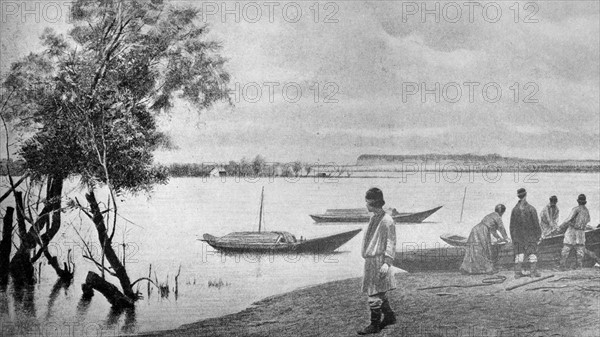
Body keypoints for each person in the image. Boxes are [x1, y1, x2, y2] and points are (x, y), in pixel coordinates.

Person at [357, 188, 397, 335]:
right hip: (371, 260)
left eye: (367, 202)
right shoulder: (374, 218)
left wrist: (387, 262)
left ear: (373, 202)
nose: (366, 205)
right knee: (378, 290)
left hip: (379, 261)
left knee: (374, 292)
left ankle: (375, 325)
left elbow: (391, 242)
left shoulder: (387, 221)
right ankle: (390, 316)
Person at [460, 204, 509, 275]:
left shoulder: (491, 215)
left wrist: (499, 238)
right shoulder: (497, 217)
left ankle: (466, 269)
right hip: (482, 231)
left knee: (473, 249)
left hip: (475, 229)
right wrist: (506, 238)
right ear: (502, 212)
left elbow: (493, 230)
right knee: (484, 249)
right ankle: (487, 270)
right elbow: (501, 228)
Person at [509, 188, 542, 278]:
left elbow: (511, 226)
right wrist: (538, 235)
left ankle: (517, 273)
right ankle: (532, 273)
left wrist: (513, 238)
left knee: (519, 254)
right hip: (530, 236)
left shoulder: (514, 210)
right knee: (532, 253)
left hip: (518, 236)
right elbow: (536, 224)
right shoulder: (531, 209)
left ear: (518, 196)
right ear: (526, 195)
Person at [558, 194, 590, 270]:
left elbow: (568, 219)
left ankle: (562, 266)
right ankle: (579, 266)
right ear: (585, 202)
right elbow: (588, 220)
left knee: (566, 247)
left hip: (572, 231)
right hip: (581, 232)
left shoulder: (576, 209)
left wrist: (561, 227)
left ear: (578, 201)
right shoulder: (586, 210)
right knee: (580, 249)